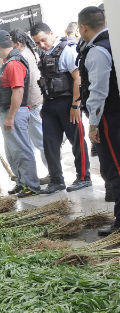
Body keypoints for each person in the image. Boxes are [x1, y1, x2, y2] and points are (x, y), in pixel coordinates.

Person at [31, 22, 91, 194]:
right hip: (50, 105)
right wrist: (44, 104)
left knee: (77, 141)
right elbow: (45, 81)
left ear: (51, 33)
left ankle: (83, 177)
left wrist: (76, 105)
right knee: (49, 143)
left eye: (43, 40)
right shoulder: (43, 54)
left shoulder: (66, 51)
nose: (41, 45)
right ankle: (57, 180)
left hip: (68, 103)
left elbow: (77, 79)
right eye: (37, 43)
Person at [77, 6, 120, 235]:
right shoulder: (112, 42)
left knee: (114, 169)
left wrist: (93, 124)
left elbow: (98, 92)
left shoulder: (97, 51)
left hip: (108, 118)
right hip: (113, 115)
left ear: (83, 27)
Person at [0, 30, 40, 197]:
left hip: (14, 113)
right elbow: (9, 86)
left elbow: (18, 91)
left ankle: (31, 186)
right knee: (12, 151)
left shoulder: (13, 64)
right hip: (9, 112)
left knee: (22, 150)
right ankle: (21, 181)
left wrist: (10, 117)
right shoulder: (8, 62)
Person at [9, 28, 49, 183]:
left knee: (41, 142)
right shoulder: (29, 53)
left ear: (17, 44)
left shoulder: (24, 57)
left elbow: (29, 84)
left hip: (33, 105)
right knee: (39, 142)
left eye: (10, 44)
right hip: (35, 104)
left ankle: (53, 174)